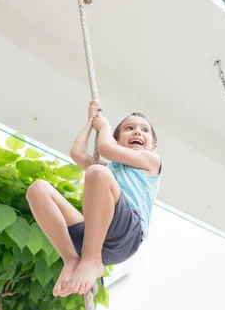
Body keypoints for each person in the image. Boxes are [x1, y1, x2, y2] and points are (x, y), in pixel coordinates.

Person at [26, 100, 161, 297]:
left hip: (126, 235)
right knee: (37, 189)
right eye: (129, 128)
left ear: (153, 147)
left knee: (96, 172)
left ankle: (91, 260)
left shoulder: (152, 161)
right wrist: (91, 121)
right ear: (117, 140)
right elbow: (77, 153)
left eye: (144, 130)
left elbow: (105, 148)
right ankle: (71, 260)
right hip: (94, 235)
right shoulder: (109, 170)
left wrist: (104, 126)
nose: (137, 132)